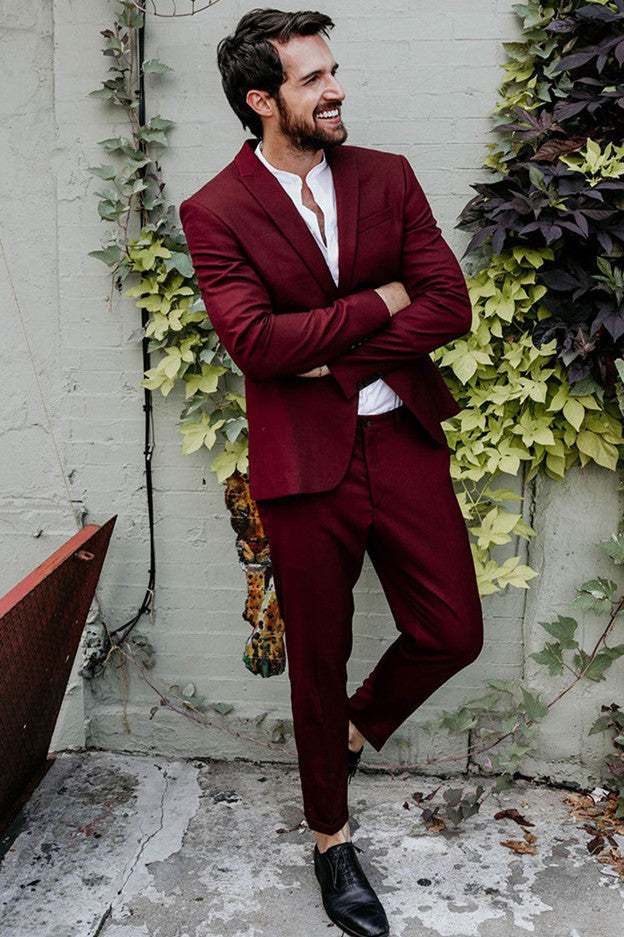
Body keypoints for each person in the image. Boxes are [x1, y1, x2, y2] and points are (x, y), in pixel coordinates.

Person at [179, 9, 484, 937]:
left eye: (332, 71)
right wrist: (376, 302)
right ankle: (329, 836)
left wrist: (336, 354)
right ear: (261, 100)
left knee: (452, 628)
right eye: (312, 79)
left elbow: (448, 304)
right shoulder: (216, 210)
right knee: (317, 657)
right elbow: (257, 345)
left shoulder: (386, 177)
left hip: (400, 441)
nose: (335, 88)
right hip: (304, 466)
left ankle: (347, 736)